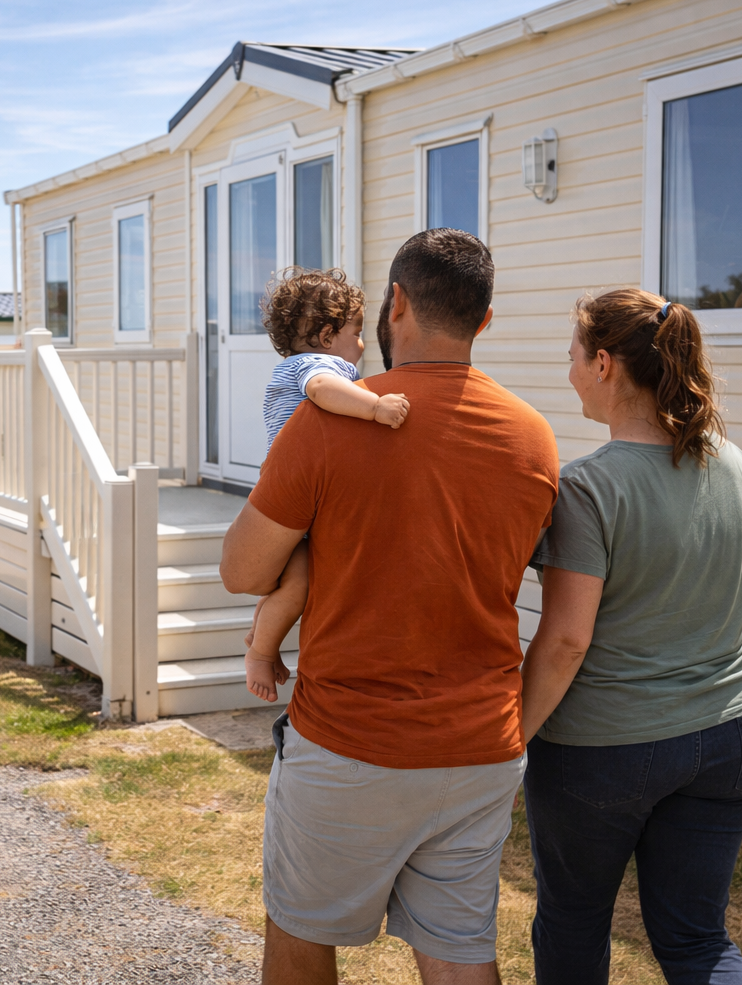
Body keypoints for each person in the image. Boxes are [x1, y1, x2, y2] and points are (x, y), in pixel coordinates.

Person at [220, 229, 560, 985]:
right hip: (481, 748)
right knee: (460, 951)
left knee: (304, 934)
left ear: (396, 303)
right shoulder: (535, 439)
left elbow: (242, 572)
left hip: (352, 740)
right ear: (486, 319)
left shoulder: (331, 419)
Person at [520, 288, 742, 985]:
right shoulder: (735, 464)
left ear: (604, 364)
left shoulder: (586, 489)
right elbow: (738, 610)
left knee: (573, 922)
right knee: (698, 941)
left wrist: (508, 738)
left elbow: (566, 642)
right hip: (732, 735)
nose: (566, 370)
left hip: (603, 752)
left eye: (570, 356)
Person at [244, 266, 411, 703]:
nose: (360, 343)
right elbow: (321, 391)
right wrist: (375, 407)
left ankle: (263, 638)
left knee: (296, 580)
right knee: (298, 585)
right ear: (325, 335)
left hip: (290, 491)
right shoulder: (320, 366)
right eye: (355, 332)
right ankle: (259, 652)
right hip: (297, 494)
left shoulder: (298, 363)